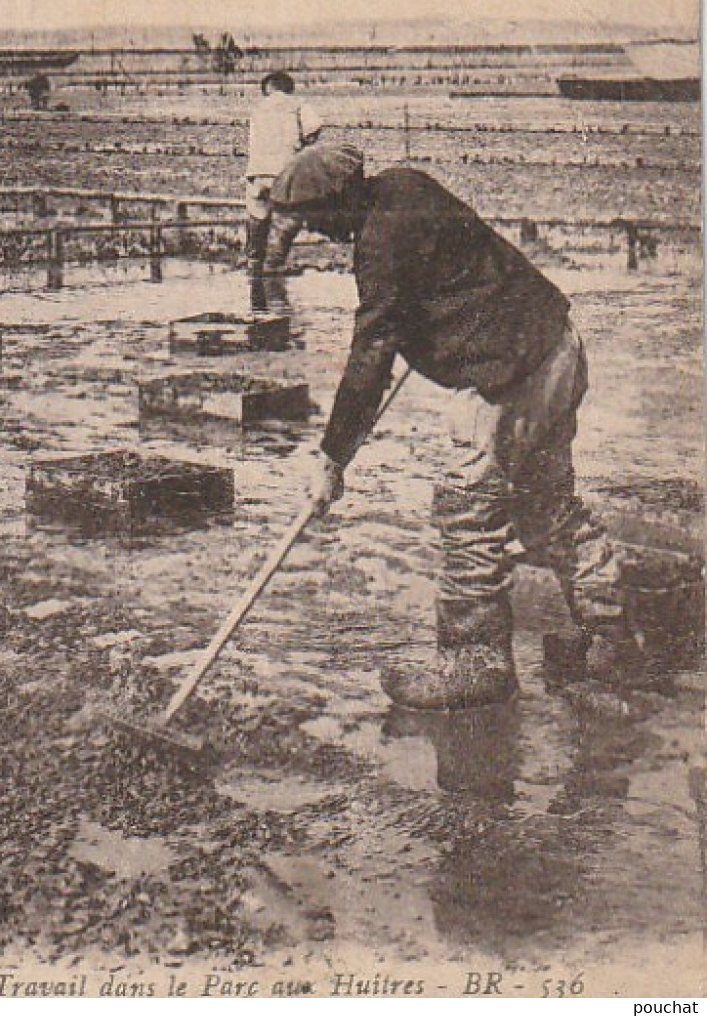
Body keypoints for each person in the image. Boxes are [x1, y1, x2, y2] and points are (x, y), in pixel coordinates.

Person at [274, 142, 652, 711]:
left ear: (341, 199)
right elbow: (447, 276)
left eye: (314, 218)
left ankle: (474, 662)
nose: (313, 232)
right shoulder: (405, 184)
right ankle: (612, 635)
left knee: (467, 509)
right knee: (545, 506)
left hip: (511, 373)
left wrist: (333, 458)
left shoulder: (380, 242)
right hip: (556, 344)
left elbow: (372, 350)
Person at [244, 71, 322, 276]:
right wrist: (304, 145)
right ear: (289, 88)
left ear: (268, 89)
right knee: (287, 217)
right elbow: (314, 127)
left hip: (257, 170)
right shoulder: (297, 104)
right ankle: (274, 265)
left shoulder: (258, 108)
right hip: (285, 169)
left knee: (258, 215)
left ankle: (253, 262)